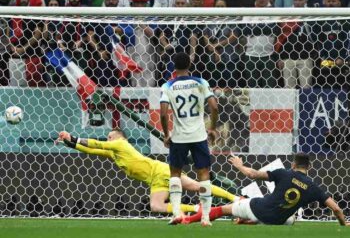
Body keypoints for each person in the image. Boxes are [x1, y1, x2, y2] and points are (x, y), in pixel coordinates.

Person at [56, 128, 236, 216]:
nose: (108, 138)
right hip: (158, 172)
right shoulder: (114, 152)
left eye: (111, 136)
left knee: (157, 205)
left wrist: (73, 137)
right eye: (108, 137)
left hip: (158, 173)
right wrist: (67, 142)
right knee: (196, 186)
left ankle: (197, 209)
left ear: (121, 137)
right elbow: (91, 150)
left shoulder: (120, 144)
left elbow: (97, 144)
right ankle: (234, 199)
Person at [181, 153, 350, 226]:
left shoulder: (284, 173)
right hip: (275, 221)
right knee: (291, 219)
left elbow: (253, 174)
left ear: (293, 165)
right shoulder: (314, 188)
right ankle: (247, 221)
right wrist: (344, 223)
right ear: (309, 167)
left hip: (257, 208)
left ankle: (188, 220)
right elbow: (336, 209)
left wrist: (239, 165)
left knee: (223, 210)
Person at [160, 52, 218, 226]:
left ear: (174, 66)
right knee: (204, 173)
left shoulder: (168, 85)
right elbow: (214, 106)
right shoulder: (201, 82)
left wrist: (166, 134)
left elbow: (163, 113)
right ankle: (206, 218)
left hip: (178, 137)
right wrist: (213, 128)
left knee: (175, 173)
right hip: (199, 136)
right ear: (190, 65)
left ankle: (177, 213)